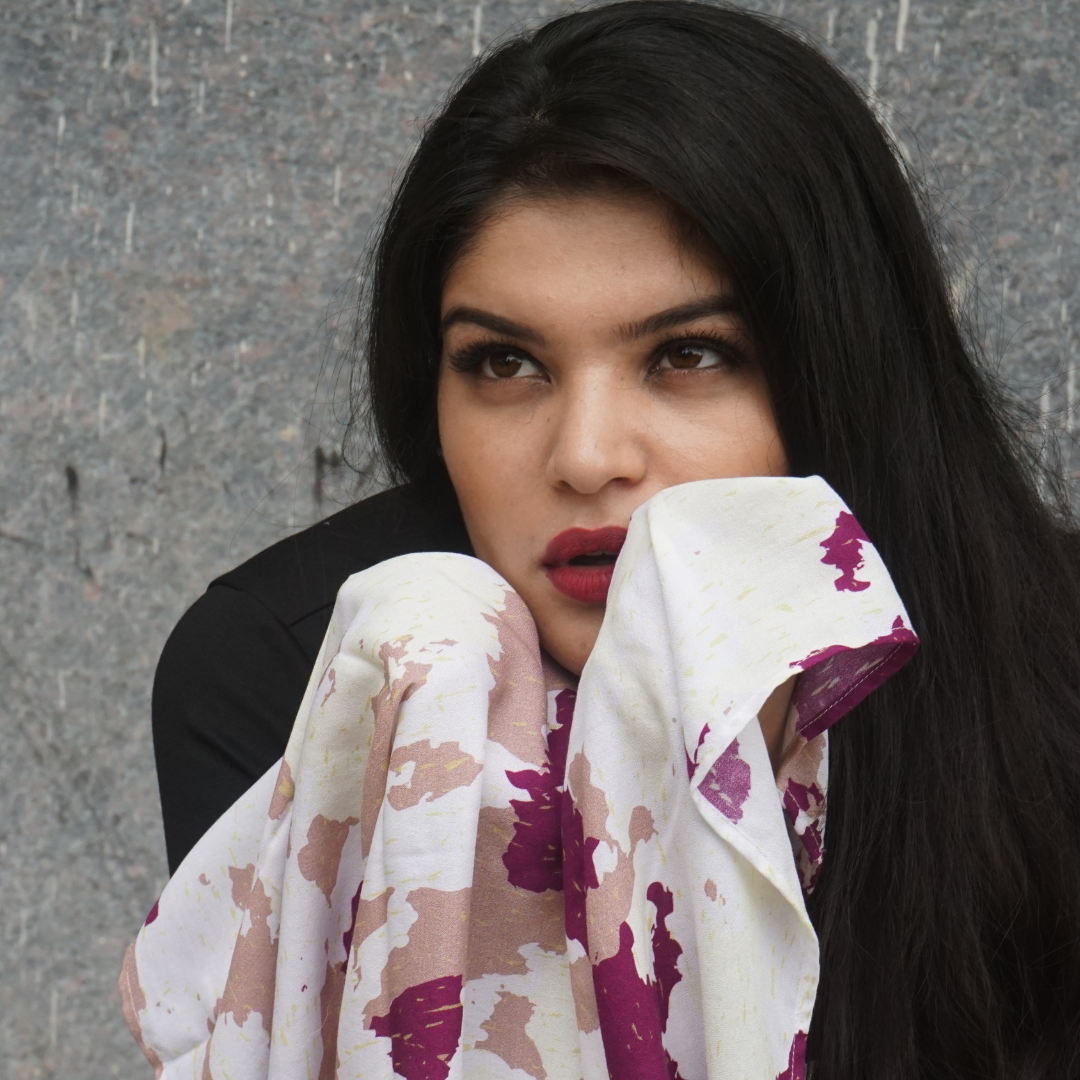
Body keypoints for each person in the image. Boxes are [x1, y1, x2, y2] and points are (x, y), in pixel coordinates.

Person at [145, 2, 1080, 1076]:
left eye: (688, 355)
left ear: (843, 373)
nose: (586, 457)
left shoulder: (1051, 658)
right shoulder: (312, 669)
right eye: (504, 363)